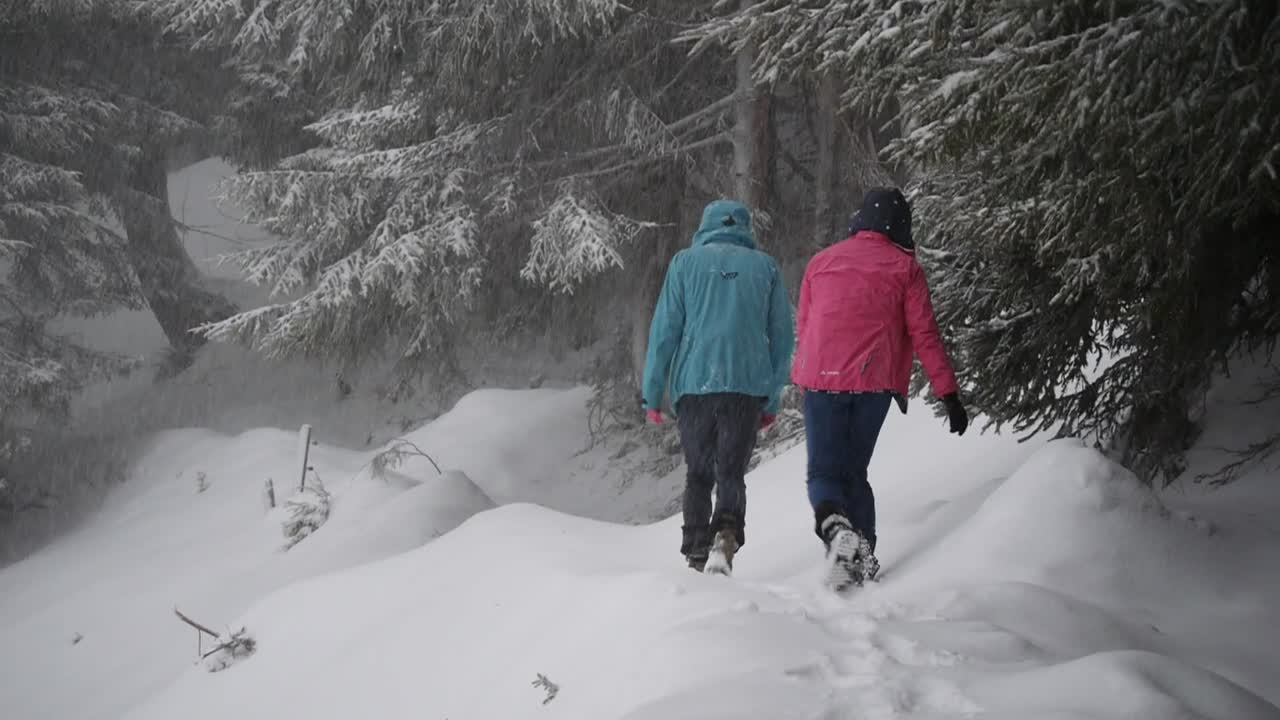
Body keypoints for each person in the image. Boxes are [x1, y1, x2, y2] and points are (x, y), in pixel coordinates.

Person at [792, 187, 969, 591]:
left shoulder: (822, 263)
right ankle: (862, 559)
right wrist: (949, 395)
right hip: (873, 384)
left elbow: (806, 325)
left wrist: (808, 370)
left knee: (823, 472)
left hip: (822, 379)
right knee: (855, 471)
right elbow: (925, 334)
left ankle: (836, 529)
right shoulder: (906, 269)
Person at [642, 199, 794, 575]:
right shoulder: (766, 268)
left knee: (698, 472)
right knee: (731, 471)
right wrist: (771, 397)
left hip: (695, 386)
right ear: (744, 227)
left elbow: (664, 333)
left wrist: (652, 392)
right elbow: (782, 338)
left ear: (705, 225)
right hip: (745, 385)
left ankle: (696, 550)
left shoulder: (684, 264)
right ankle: (726, 532)